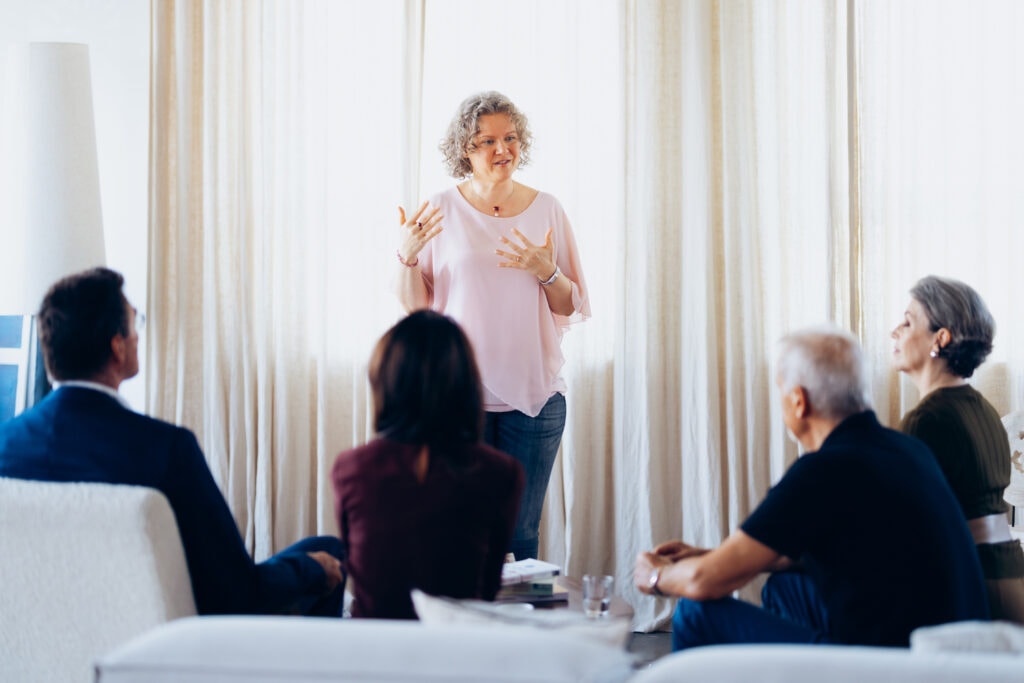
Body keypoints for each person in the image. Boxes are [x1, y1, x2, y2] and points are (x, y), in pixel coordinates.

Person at [0, 267, 344, 616]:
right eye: (135, 323)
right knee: (328, 551)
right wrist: (311, 568)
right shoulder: (166, 449)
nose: (138, 336)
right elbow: (238, 592)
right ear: (117, 346)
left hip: (42, 645)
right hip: (161, 649)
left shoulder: (5, 446)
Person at [634, 326, 988, 651]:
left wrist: (655, 576)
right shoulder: (907, 449)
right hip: (949, 657)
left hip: (889, 668)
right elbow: (810, 552)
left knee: (696, 612)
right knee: (786, 588)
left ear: (798, 401)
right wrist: (711, 555)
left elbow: (702, 582)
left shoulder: (823, 471)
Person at [394, 91, 590, 561]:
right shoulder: (439, 207)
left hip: (534, 399)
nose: (502, 150)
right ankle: (467, 634)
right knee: (462, 530)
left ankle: (518, 633)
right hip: (457, 397)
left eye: (511, 138)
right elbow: (416, 307)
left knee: (520, 536)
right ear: (465, 147)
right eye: (487, 141)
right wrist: (407, 254)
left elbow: (569, 303)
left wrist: (547, 271)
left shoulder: (548, 208)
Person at [332, 310, 524, 619]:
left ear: (385, 381)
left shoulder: (351, 468)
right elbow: (486, 592)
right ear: (466, 383)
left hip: (371, 650)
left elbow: (361, 570)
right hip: (455, 649)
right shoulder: (502, 474)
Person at [892, 275, 1024, 622]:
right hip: (1011, 576)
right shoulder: (984, 411)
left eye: (907, 322)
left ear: (941, 338)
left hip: (970, 589)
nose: (896, 332)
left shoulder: (926, 420)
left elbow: (911, 528)